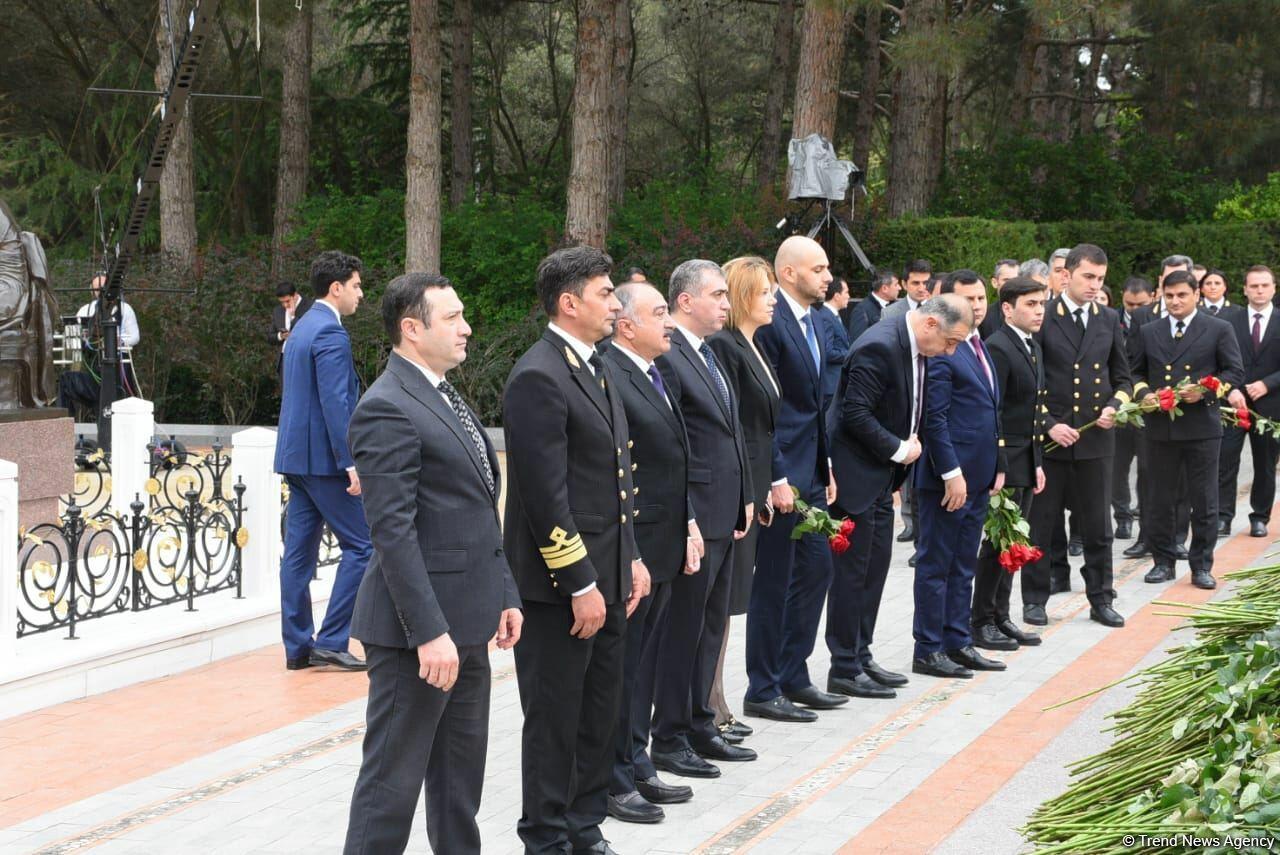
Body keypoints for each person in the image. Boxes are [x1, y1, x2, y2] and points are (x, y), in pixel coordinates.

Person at [342, 273, 522, 855]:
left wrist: (504, 592)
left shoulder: (442, 392)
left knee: (457, 788)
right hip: (416, 638)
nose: (466, 327)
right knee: (389, 791)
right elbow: (391, 531)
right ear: (411, 329)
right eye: (452, 318)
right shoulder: (387, 406)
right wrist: (428, 632)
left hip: (468, 624)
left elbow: (475, 509)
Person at [503, 246, 649, 855]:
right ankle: (546, 838)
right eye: (605, 293)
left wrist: (630, 558)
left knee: (598, 715)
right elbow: (546, 498)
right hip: (561, 590)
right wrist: (581, 584)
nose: (616, 304)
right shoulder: (539, 375)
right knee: (555, 720)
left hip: (608, 577)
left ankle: (584, 829)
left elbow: (614, 478)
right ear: (569, 303)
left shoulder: (596, 365)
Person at [826, 295, 972, 696]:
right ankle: (843, 666)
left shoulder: (915, 345)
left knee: (874, 573)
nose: (950, 351)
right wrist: (898, 449)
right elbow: (854, 413)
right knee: (852, 577)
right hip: (857, 477)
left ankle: (861, 655)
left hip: (881, 477)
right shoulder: (880, 344)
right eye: (951, 342)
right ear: (930, 324)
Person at [603, 281, 701, 824]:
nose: (668, 322)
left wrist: (687, 522)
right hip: (636, 545)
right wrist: (633, 552)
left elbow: (675, 458)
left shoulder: (653, 370)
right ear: (626, 326)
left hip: (664, 540)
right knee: (624, 671)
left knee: (642, 667)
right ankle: (614, 779)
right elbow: (618, 473)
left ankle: (636, 761)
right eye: (659, 312)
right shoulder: (612, 373)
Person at [653, 259, 756, 771]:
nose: (725, 304)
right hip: (697, 516)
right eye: (717, 295)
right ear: (685, 300)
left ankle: (701, 722)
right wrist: (690, 516)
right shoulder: (670, 355)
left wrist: (745, 496)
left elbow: (731, 432)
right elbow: (675, 448)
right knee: (685, 632)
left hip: (724, 511)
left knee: (710, 627)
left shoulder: (709, 352)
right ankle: (670, 738)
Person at [745, 235, 846, 719]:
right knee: (775, 581)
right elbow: (765, 412)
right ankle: (763, 688)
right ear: (789, 273)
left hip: (811, 471)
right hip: (782, 475)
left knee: (816, 570)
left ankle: (794, 674)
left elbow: (816, 406)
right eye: (818, 269)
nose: (828, 277)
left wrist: (826, 465)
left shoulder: (818, 320)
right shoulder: (771, 322)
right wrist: (776, 476)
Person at [1023, 244, 1130, 629]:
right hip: (1052, 441)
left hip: (1095, 441)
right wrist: (1048, 423)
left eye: (1100, 278)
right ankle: (1034, 600)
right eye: (1088, 276)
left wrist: (1114, 406)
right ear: (1066, 275)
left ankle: (1101, 599)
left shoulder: (1108, 318)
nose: (1095, 285)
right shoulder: (1045, 316)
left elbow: (1123, 378)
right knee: (1040, 525)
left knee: (1098, 528)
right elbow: (1028, 381)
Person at [274, 250, 373, 671]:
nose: (361, 294)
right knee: (364, 546)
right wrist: (349, 460)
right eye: (356, 286)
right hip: (324, 462)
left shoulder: (300, 327)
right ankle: (332, 639)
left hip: (296, 458)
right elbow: (335, 401)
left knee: (297, 556)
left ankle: (298, 647)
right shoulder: (331, 332)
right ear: (336, 288)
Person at [1129, 269, 1245, 589]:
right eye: (1169, 296)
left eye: (1182, 295)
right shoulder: (1149, 330)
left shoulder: (1218, 328)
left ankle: (1201, 566)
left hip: (1201, 427)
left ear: (1196, 294)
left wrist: (1206, 390)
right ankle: (1163, 562)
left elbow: (1234, 372)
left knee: (1204, 500)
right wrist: (1144, 394)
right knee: (1160, 499)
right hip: (1160, 428)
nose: (1175, 301)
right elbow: (1134, 371)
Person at [912, 276, 1004, 678]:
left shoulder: (978, 345)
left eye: (981, 297)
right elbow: (935, 418)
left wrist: (997, 465)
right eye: (968, 299)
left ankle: (958, 640)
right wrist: (952, 472)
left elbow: (989, 412)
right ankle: (928, 648)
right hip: (947, 480)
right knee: (937, 565)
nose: (977, 305)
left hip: (979, 477)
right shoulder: (943, 349)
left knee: (964, 563)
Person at [706, 257, 780, 739]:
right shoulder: (725, 346)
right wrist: (749, 492)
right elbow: (729, 430)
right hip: (733, 495)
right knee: (715, 608)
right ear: (740, 296)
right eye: (764, 292)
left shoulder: (754, 344)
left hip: (752, 489)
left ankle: (714, 703)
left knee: (728, 605)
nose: (773, 300)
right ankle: (709, 706)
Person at [972, 277, 1047, 651]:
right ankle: (981, 620)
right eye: (1031, 304)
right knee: (997, 543)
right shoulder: (998, 347)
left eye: (1041, 304)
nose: (1039, 311)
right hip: (1006, 462)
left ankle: (1001, 616)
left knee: (1013, 543)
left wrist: (1038, 461)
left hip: (1025, 459)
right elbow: (993, 411)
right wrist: (999, 464)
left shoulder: (1030, 345)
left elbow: (1033, 412)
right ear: (1007, 308)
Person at [1125, 254, 1195, 562]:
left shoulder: (1204, 320)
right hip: (1152, 411)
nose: (1174, 292)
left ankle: (1177, 536)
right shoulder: (1144, 316)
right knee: (1147, 473)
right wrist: (1144, 393)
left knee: (1181, 478)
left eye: (1181, 278)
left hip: (1188, 412)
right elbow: (1133, 364)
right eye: (1168, 279)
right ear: (1160, 282)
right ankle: (1147, 536)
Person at [1219, 265, 1280, 539]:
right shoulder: (1228, 321)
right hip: (1233, 405)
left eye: (1265, 285)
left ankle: (1259, 517)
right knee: (1225, 461)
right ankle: (1222, 517)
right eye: (1254, 285)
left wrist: (1267, 384)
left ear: (1274, 288)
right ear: (1244, 289)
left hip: (1271, 405)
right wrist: (1231, 389)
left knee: (1265, 464)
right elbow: (1217, 360)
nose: (1259, 290)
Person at [883, 259, 933, 548]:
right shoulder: (891, 312)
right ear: (904, 284)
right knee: (904, 467)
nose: (921, 287)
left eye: (926, 282)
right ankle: (908, 522)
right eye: (915, 282)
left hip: (928, 398)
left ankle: (922, 532)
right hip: (902, 398)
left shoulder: (937, 310)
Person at [1113, 277, 1155, 544]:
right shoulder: (1110, 319)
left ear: (1153, 297)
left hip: (1145, 406)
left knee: (1147, 468)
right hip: (1117, 405)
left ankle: (1146, 521)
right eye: (1130, 304)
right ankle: (1122, 516)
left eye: (1141, 304)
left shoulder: (1155, 323)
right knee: (1117, 467)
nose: (1135, 309)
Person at [817, 274, 852, 408]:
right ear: (836, 296)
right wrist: (851, 354)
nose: (849, 296)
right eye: (846, 292)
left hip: (836, 384)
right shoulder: (825, 317)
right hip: (831, 387)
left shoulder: (833, 315)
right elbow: (828, 352)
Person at [846, 267, 900, 342]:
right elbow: (858, 343)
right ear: (884, 288)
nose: (899, 288)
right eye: (896, 285)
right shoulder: (861, 310)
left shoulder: (896, 306)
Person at [978, 259, 1019, 339]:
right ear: (995, 282)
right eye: (1007, 280)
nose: (1012, 285)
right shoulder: (983, 316)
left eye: (1016, 280)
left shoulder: (1031, 313)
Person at [269, 281, 312, 353]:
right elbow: (270, 337)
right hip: (283, 356)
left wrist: (293, 317)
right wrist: (281, 336)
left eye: (287, 301)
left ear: (295, 295)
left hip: (302, 356)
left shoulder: (310, 307)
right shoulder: (278, 310)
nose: (285, 305)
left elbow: (309, 334)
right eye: (282, 302)